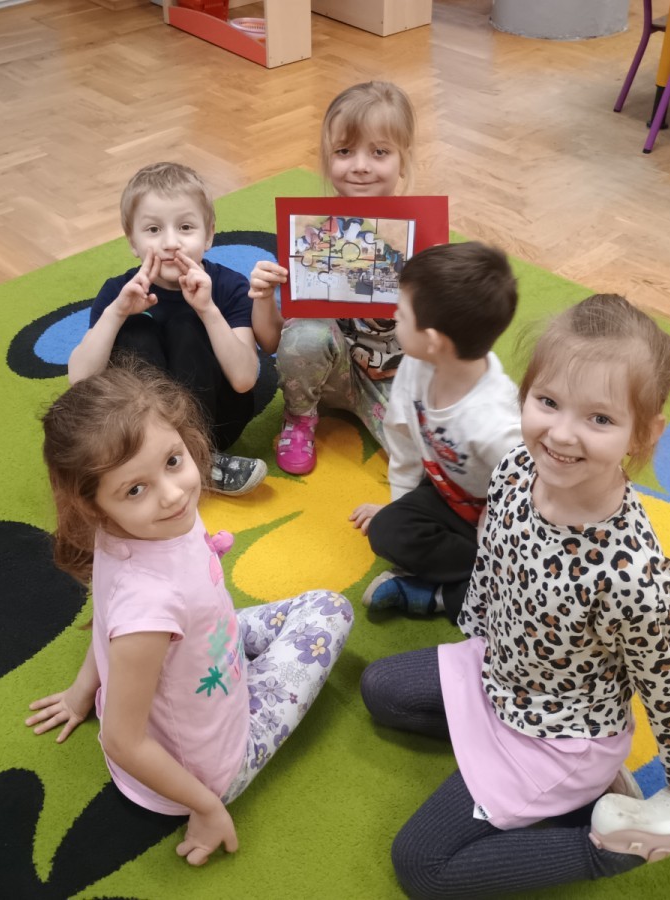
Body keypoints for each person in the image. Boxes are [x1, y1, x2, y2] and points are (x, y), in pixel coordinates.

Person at [359, 295, 670, 898]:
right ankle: (561, 792)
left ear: (644, 434)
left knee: (421, 867)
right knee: (380, 689)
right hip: (501, 674)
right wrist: (478, 638)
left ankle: (611, 847)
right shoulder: (517, 467)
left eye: (600, 419)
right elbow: (493, 564)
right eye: (548, 402)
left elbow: (664, 683)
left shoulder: (629, 575)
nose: (561, 434)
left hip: (561, 735)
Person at [27, 363, 353, 866]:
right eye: (135, 489)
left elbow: (107, 621)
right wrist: (206, 805)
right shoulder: (148, 608)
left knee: (313, 606)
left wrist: (81, 691)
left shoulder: (125, 530)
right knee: (332, 611)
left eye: (173, 461)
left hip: (201, 652)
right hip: (211, 765)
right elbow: (121, 740)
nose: (173, 493)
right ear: (92, 505)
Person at [67, 161, 267, 495]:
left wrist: (208, 310)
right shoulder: (118, 291)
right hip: (141, 433)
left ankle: (200, 456)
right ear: (133, 242)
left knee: (186, 324)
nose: (171, 243)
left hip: (216, 424)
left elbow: (245, 378)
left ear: (209, 235)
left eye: (186, 227)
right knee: (135, 330)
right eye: (153, 230)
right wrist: (117, 313)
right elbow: (80, 379)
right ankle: (160, 457)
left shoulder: (228, 286)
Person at [248, 81, 417, 476]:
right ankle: (299, 417)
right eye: (344, 151)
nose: (360, 165)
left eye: (379, 152)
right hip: (329, 377)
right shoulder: (308, 234)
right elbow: (273, 342)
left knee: (433, 464)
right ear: (327, 158)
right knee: (306, 334)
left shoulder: (417, 236)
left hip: (395, 380)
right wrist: (263, 295)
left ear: (403, 159)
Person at [348, 242, 521, 623]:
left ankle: (451, 595)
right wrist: (400, 505)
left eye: (401, 314)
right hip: (446, 495)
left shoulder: (496, 425)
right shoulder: (415, 365)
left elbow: (526, 502)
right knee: (386, 531)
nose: (393, 316)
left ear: (433, 341)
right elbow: (402, 437)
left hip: (498, 522)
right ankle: (476, 584)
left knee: (514, 595)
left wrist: (496, 552)